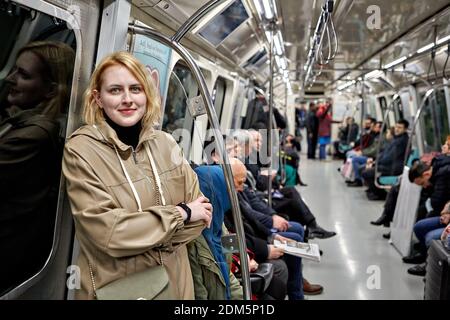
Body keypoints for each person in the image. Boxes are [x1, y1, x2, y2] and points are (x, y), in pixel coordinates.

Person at [62, 52, 212, 299]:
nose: (128, 99)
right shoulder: (81, 150)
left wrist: (143, 235)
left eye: (136, 89)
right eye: (115, 90)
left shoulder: (166, 143)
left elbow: (201, 214)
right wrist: (180, 213)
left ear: (147, 95)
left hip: (176, 285)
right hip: (120, 288)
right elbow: (109, 234)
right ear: (98, 98)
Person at [0, 41, 75, 295]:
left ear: (49, 90)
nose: (10, 78)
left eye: (23, 75)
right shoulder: (20, 121)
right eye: (14, 70)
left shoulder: (34, 135)